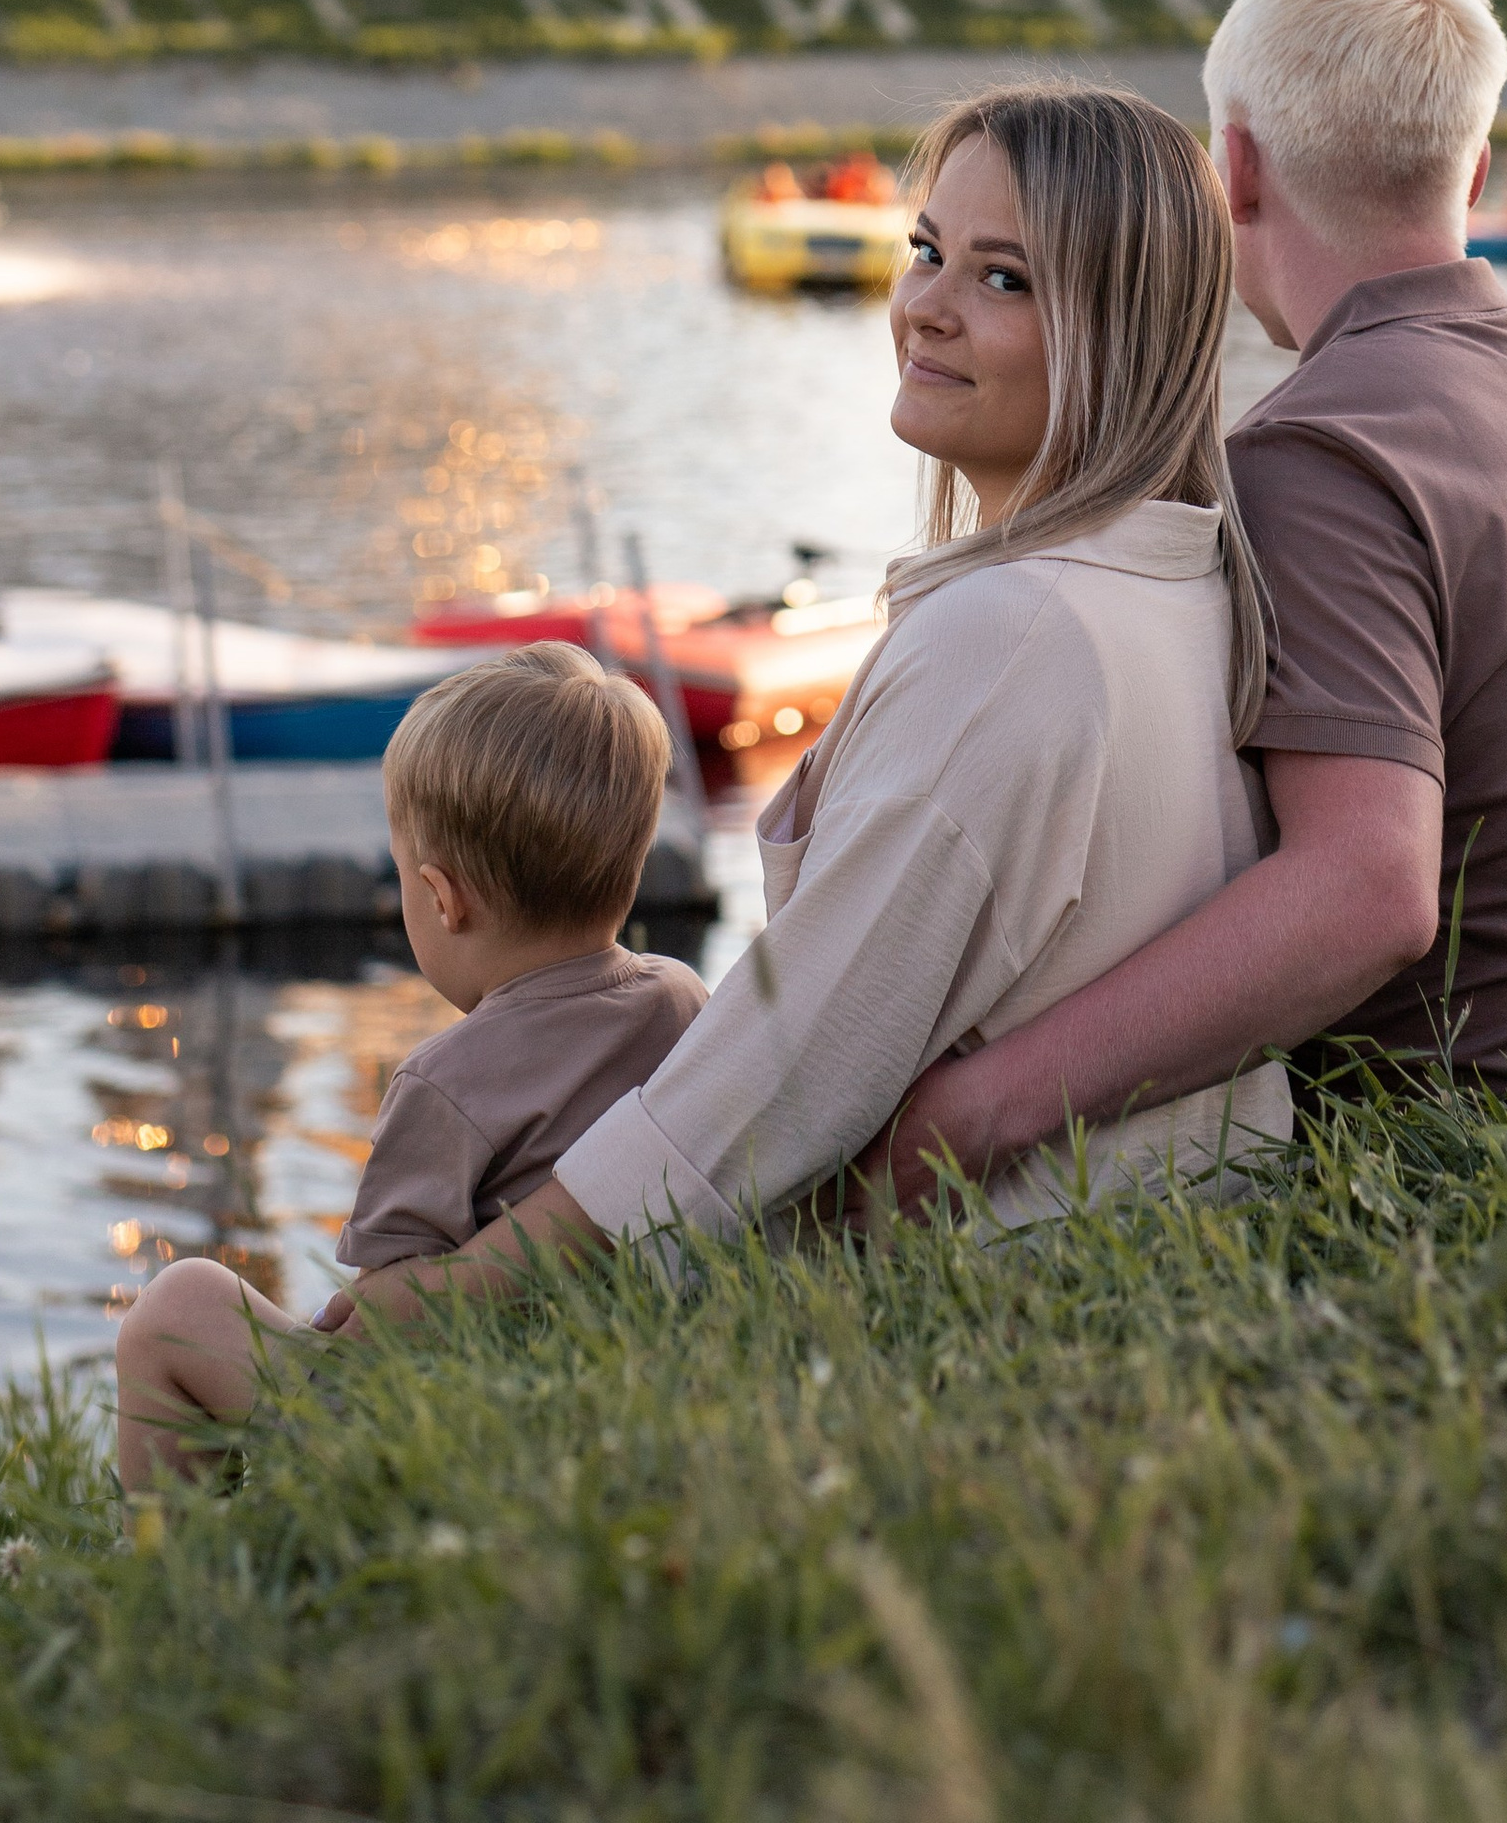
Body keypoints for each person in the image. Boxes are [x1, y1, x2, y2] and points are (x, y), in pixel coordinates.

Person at [344, 84, 1291, 1322]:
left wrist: (455, 1298)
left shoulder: (1012, 638)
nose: (924, 307)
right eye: (927, 251)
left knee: (193, 1320)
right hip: (1157, 1249)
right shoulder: (1175, 582)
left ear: (1124, 333)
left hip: (996, 1286)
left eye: (1003, 279)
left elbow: (791, 1071)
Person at [875, 0, 1507, 1206]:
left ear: (1232, 169)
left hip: (1464, 1147)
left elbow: (1366, 892)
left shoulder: (1314, 456)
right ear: (1471, 167)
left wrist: (979, 1111)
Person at [114, 645, 704, 1490]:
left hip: (459, 1426)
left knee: (179, 1304)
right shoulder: (684, 1000)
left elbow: (386, 1320)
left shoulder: (445, 1082)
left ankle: (169, 1552)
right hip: (629, 1376)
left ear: (441, 897)